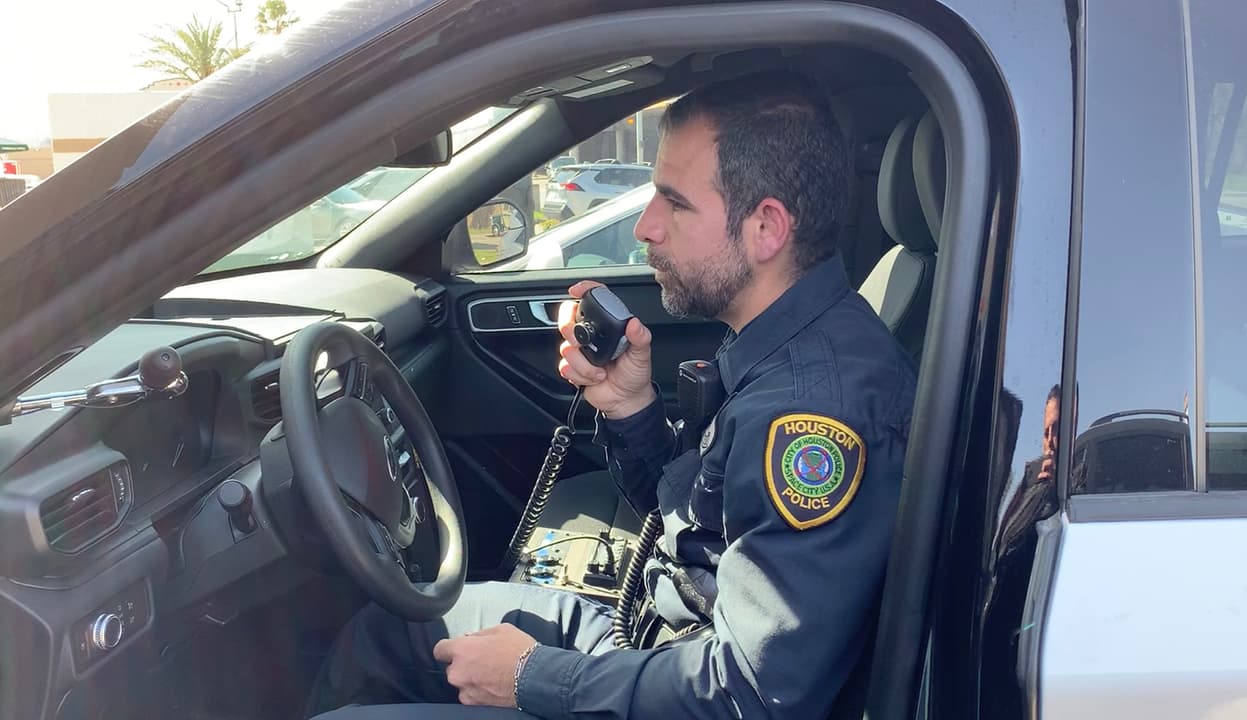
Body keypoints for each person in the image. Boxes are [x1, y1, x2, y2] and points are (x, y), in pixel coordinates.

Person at [308, 69, 917, 720]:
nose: (645, 226)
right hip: (667, 639)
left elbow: (748, 697)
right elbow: (703, 520)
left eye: (674, 202)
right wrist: (631, 409)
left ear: (766, 228)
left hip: (691, 678)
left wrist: (532, 677)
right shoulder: (784, 339)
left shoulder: (812, 414)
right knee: (390, 632)